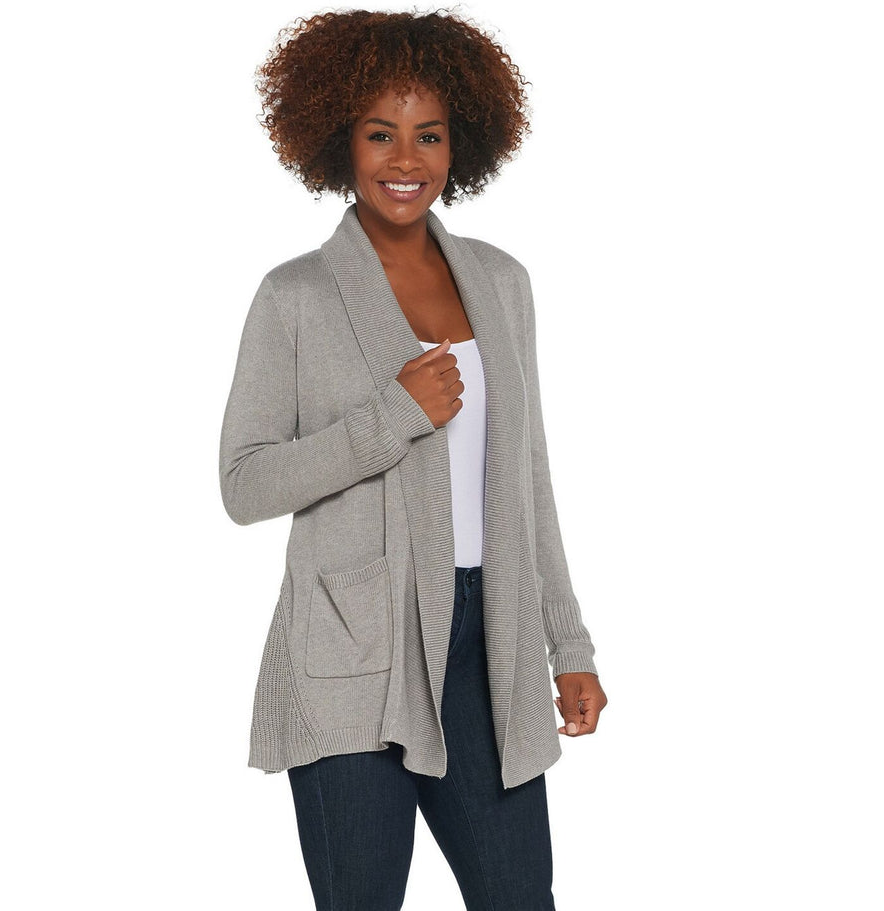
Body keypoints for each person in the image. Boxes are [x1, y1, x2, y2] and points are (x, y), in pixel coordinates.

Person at [219, 9, 608, 910]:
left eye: (428, 135)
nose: (406, 159)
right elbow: (244, 482)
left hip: (489, 641)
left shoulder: (502, 283)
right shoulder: (295, 296)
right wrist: (390, 416)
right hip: (354, 649)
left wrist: (570, 644)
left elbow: (529, 478)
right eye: (379, 134)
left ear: (459, 143)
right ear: (339, 142)